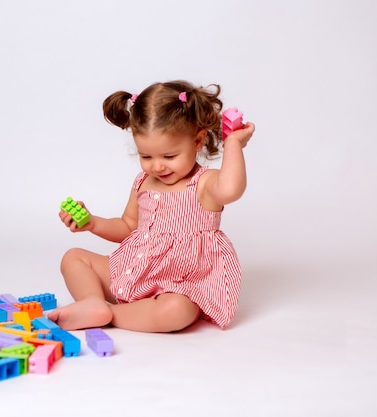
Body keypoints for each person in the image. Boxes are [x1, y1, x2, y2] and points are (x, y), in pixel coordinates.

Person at [47, 80, 255, 332]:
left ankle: (109, 313)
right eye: (146, 156)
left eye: (169, 156)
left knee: (176, 311)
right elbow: (127, 226)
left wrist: (233, 144)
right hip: (136, 270)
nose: (157, 166)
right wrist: (92, 223)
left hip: (180, 283)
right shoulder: (144, 182)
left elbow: (232, 189)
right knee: (73, 258)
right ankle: (92, 302)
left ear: (198, 141)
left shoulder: (205, 183)